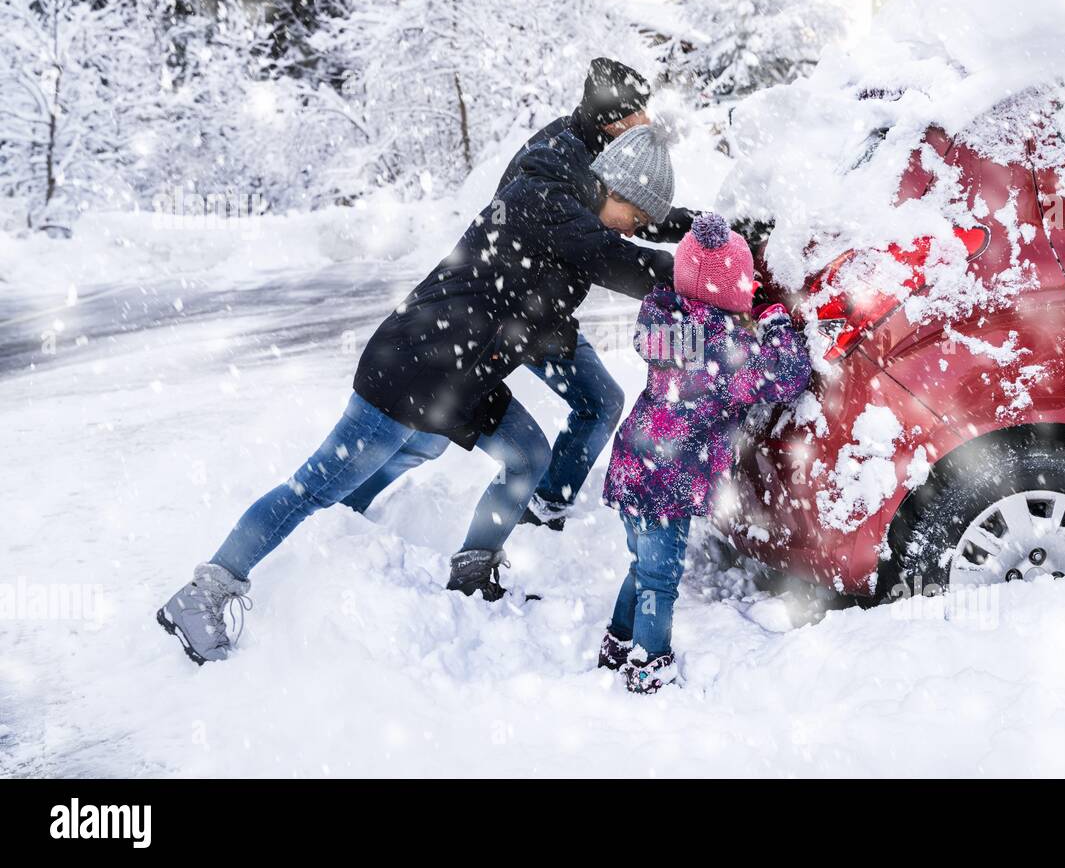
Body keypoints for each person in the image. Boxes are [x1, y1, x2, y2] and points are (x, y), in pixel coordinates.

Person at [157, 122, 678, 665]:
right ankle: (204, 593)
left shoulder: (577, 215)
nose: (633, 230)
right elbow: (624, 262)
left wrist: (704, 235)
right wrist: (703, 273)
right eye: (635, 218)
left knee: (526, 455)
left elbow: (594, 262)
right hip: (409, 370)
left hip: (461, 378)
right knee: (315, 486)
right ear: (612, 187)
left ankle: (471, 569)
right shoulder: (551, 204)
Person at [597, 213, 812, 694]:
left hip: (635, 465)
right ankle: (650, 663)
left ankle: (618, 642)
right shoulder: (727, 354)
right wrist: (775, 321)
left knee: (643, 567)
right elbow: (788, 373)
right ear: (731, 289)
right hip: (665, 483)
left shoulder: (667, 323)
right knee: (660, 579)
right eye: (746, 278)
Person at [498, 58, 697, 532]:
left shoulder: (593, 150)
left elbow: (638, 211)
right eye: (637, 116)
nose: (647, 124)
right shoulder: (560, 159)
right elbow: (599, 248)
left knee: (416, 420)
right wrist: (689, 274)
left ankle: (545, 506)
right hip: (519, 309)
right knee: (414, 418)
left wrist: (701, 231)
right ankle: (543, 511)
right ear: (612, 122)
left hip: (539, 307)